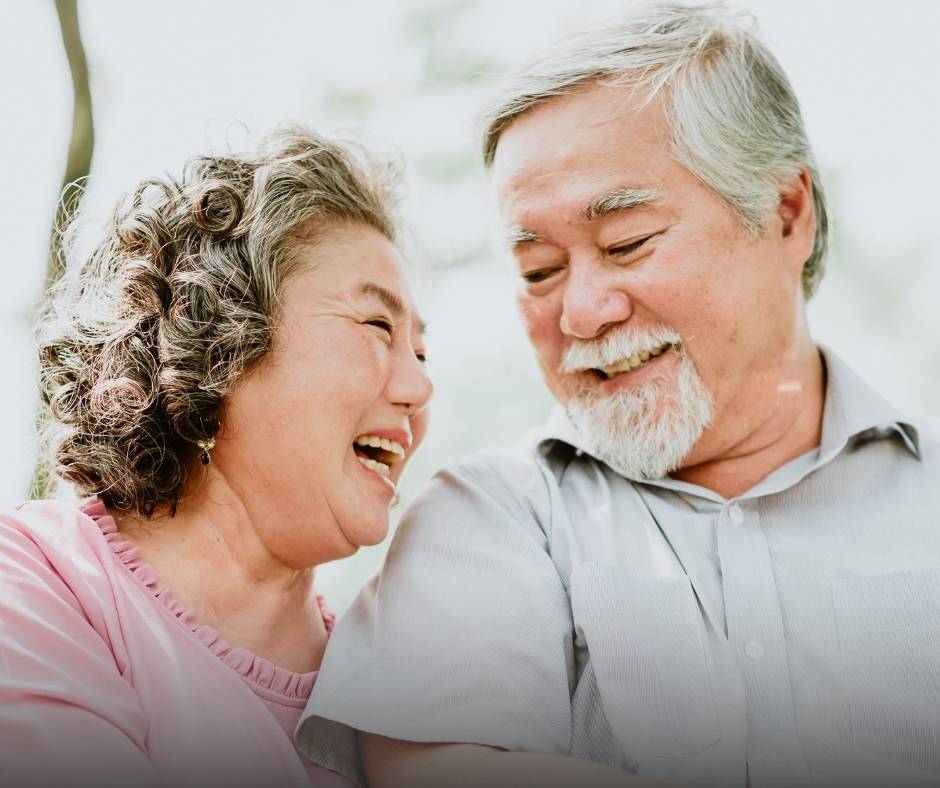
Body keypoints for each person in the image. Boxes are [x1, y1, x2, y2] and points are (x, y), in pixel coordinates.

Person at [298, 4, 940, 788]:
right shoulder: (492, 518)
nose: (582, 313)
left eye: (627, 244)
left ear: (786, 214)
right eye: (539, 271)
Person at [0, 128, 432, 787]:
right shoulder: (38, 578)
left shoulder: (394, 698)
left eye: (422, 353)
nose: (420, 387)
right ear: (219, 341)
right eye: (377, 326)